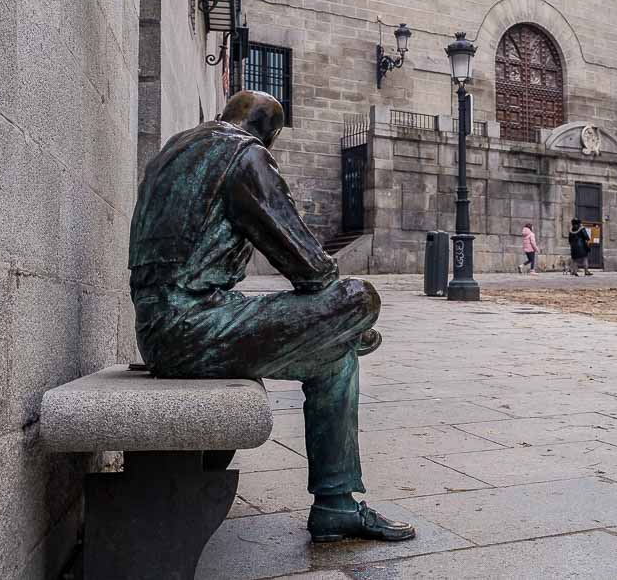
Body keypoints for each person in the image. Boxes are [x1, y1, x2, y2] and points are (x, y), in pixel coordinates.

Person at [128, 91, 415, 544]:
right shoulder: (243, 155)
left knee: (336, 355)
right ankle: (336, 501)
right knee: (360, 297)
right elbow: (310, 267)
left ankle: (335, 506)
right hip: (192, 326)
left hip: (160, 327)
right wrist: (345, 317)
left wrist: (334, 328)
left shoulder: (173, 151)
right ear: (271, 134)